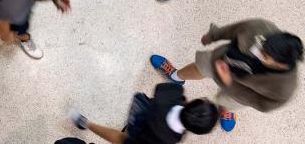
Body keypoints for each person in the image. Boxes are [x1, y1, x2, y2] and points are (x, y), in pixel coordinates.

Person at [150, 19, 302, 132]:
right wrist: (213, 35)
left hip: (241, 93)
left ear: (280, 64)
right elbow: (236, 29)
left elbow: (263, 104)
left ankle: (226, 110)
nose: (258, 50)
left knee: (229, 101)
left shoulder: (285, 88)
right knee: (200, 67)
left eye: (265, 55)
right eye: (262, 45)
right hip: (221, 61)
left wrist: (229, 83)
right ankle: (176, 75)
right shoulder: (262, 28)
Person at [70, 83, 218, 144]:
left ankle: (85, 122)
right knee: (121, 139)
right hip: (141, 137)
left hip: (143, 111)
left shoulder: (174, 91)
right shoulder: (171, 139)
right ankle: (85, 123)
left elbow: (160, 88)